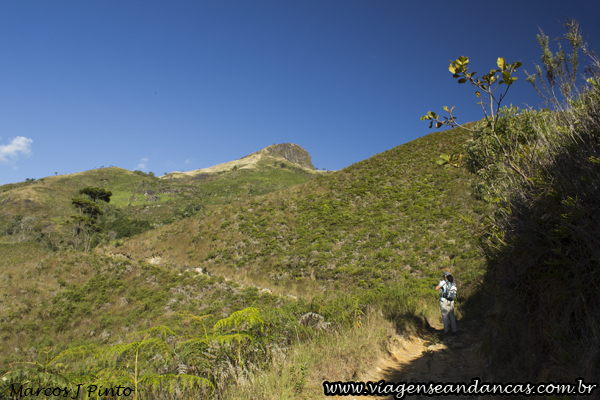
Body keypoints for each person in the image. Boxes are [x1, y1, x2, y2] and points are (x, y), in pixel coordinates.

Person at [435, 271, 457, 336]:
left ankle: (446, 330)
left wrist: (440, 284)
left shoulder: (443, 282)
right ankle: (454, 330)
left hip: (444, 301)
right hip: (451, 301)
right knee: (451, 316)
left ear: (445, 277)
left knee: (445, 316)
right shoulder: (453, 283)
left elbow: (436, 288)